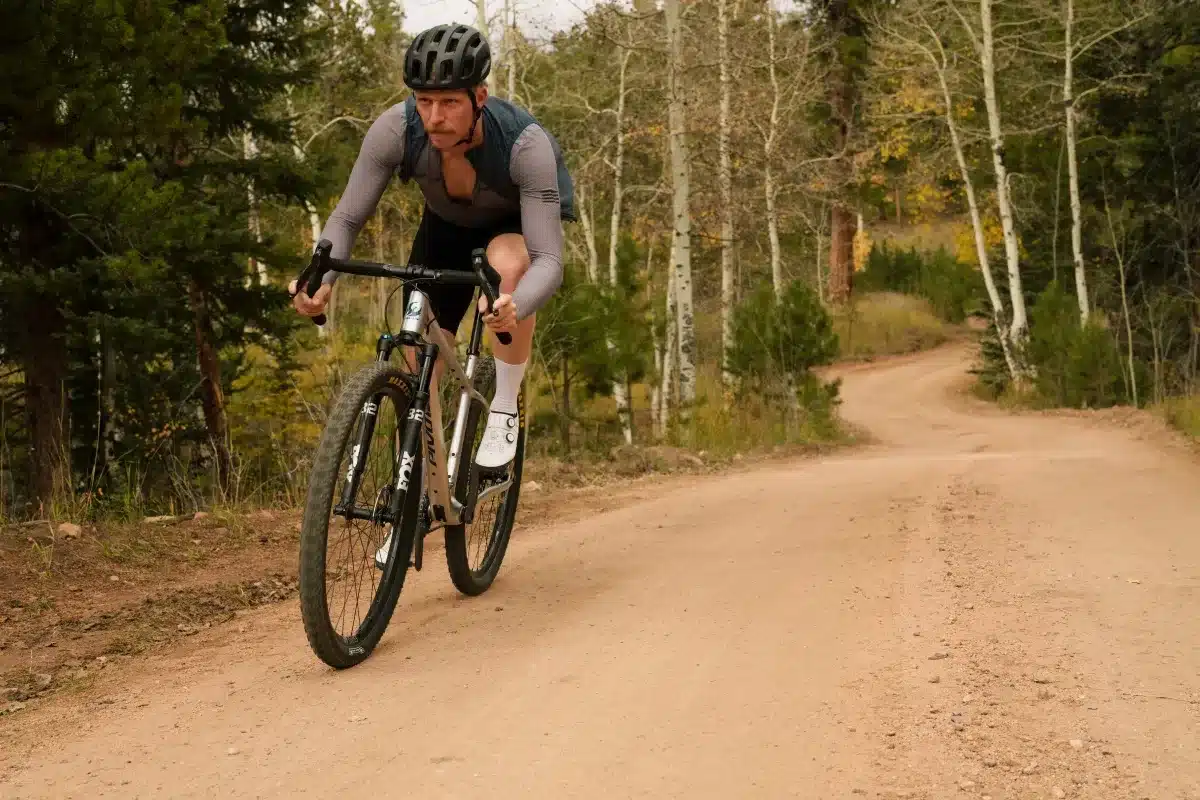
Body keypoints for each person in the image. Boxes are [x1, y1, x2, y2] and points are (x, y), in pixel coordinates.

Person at [289, 22, 574, 471]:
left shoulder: (525, 145)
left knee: (507, 263)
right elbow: (346, 218)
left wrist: (515, 303)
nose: (434, 117)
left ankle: (503, 403)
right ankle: (422, 479)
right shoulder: (395, 130)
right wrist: (319, 277)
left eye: (448, 103)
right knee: (418, 356)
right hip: (443, 229)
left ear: (479, 98)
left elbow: (550, 261)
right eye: (424, 102)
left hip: (511, 231)